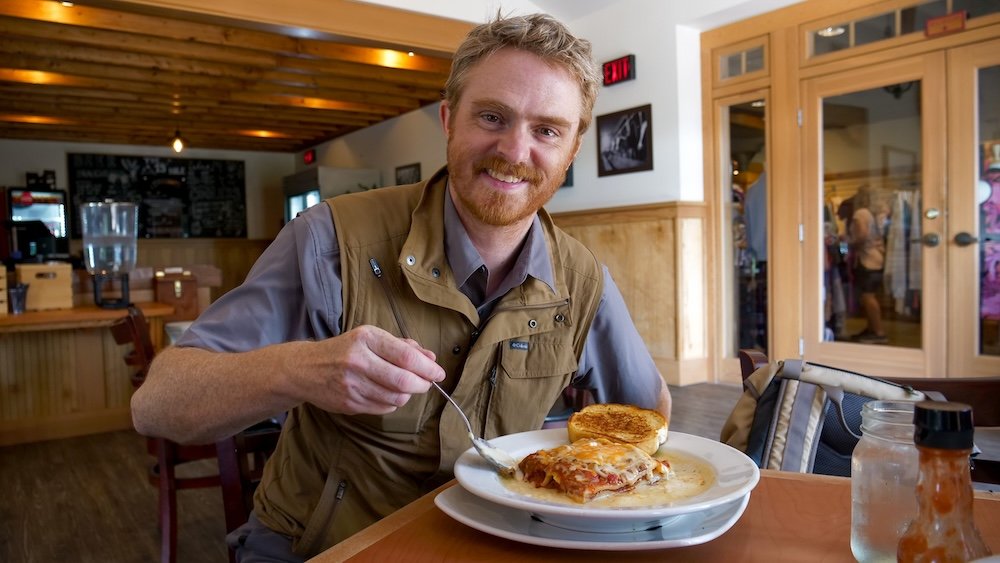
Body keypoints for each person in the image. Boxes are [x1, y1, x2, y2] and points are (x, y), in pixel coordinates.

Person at [131, 12, 671, 561]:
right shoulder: (329, 240)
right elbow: (158, 404)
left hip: (496, 542)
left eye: (547, 130)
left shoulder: (583, 281)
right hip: (321, 547)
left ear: (573, 148)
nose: (513, 150)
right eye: (491, 116)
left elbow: (648, 414)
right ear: (449, 120)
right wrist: (300, 370)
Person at [848, 186, 888, 344]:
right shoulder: (877, 214)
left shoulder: (861, 213)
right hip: (878, 258)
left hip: (867, 259)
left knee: (867, 296)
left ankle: (878, 332)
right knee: (870, 296)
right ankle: (871, 329)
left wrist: (847, 241)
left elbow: (862, 236)